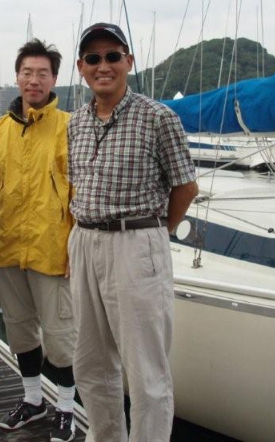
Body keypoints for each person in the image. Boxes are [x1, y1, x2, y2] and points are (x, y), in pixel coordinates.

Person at [67, 22, 199, 442]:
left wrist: (157, 233)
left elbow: (186, 187)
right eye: (93, 58)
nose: (102, 66)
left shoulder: (158, 117)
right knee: (90, 363)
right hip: (84, 241)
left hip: (136, 241)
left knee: (146, 372)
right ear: (81, 67)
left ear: (128, 61)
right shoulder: (76, 123)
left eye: (112, 56)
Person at [0, 39, 77, 442]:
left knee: (60, 336)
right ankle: (33, 400)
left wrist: (75, 247)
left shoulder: (70, 126)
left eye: (42, 73)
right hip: (7, 250)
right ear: (17, 77)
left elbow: (79, 193)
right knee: (20, 330)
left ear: (54, 79)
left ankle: (66, 408)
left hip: (51, 249)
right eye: (27, 72)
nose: (34, 80)